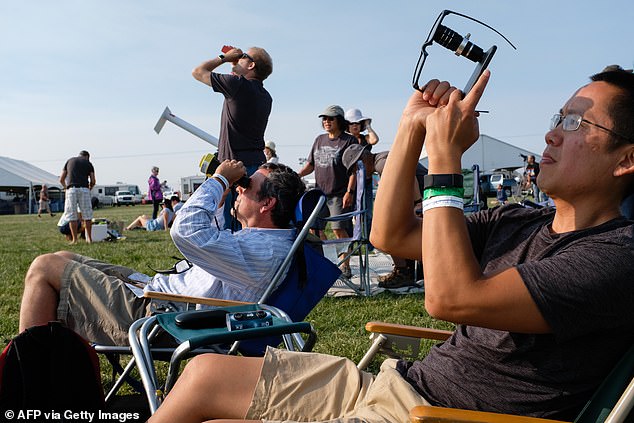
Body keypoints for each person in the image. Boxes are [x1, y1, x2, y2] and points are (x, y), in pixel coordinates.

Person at [147, 67, 634, 423]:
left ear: (625, 160)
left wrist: (445, 159)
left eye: (575, 124)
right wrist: (410, 130)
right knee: (206, 373)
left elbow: (450, 299)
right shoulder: (519, 221)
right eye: (559, 116)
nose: (550, 132)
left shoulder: (618, 256)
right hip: (401, 386)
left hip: (442, 416)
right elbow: (391, 235)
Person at [19, 161, 306, 345]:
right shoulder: (271, 241)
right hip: (164, 298)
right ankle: (55, 362)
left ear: (267, 203)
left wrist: (219, 181)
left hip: (164, 318)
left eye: (247, 187)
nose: (239, 191)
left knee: (44, 267)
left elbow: (185, 230)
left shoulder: (262, 251)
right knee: (63, 256)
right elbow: (211, 235)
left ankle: (26, 377)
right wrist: (222, 191)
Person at [192, 45, 273, 230]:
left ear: (251, 65)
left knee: (223, 226)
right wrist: (237, 63)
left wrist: (225, 57)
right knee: (247, 224)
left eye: (242, 56)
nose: (237, 58)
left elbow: (198, 72)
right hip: (255, 166)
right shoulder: (266, 96)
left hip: (232, 169)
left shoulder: (237, 85)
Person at [342, 143, 427, 288]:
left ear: (362, 160)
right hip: (423, 193)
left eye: (356, 169)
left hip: (425, 193)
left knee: (387, 230)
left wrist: (418, 203)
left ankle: (403, 272)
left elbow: (409, 173)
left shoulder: (382, 164)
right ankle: (409, 270)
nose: (357, 173)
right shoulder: (381, 161)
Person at [298, 105, 357, 276]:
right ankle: (330, 260)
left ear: (339, 120)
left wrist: (349, 192)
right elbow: (310, 165)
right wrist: (297, 174)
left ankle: (344, 264)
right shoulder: (319, 140)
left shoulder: (348, 141)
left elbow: (354, 170)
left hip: (339, 194)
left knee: (339, 229)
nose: (326, 121)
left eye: (330, 118)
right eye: (324, 119)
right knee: (313, 229)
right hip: (320, 194)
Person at [59, 150, 95, 244]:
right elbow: (93, 180)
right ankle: (89, 239)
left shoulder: (69, 161)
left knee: (72, 216)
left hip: (71, 189)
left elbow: (61, 179)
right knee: (87, 215)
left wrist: (66, 188)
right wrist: (90, 187)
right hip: (84, 189)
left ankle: (75, 240)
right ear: (87, 157)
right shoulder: (88, 163)